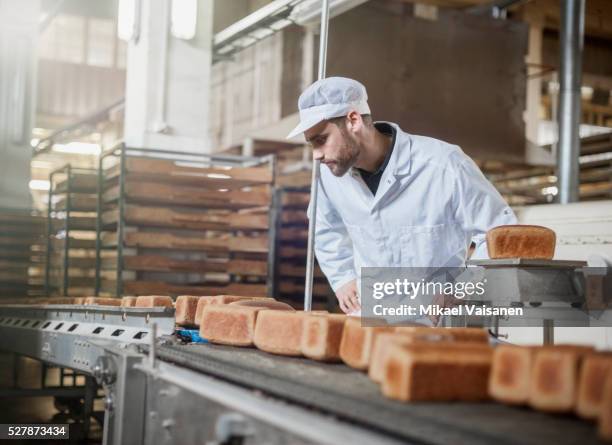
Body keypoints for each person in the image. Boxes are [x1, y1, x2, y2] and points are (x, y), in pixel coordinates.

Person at [287, 77, 517, 315]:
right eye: (311, 144)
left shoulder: (443, 165)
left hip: (437, 321)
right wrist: (343, 278)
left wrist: (463, 287)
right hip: (370, 319)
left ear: (353, 120)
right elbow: (325, 230)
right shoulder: (329, 178)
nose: (317, 155)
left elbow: (502, 233)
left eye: (321, 140)